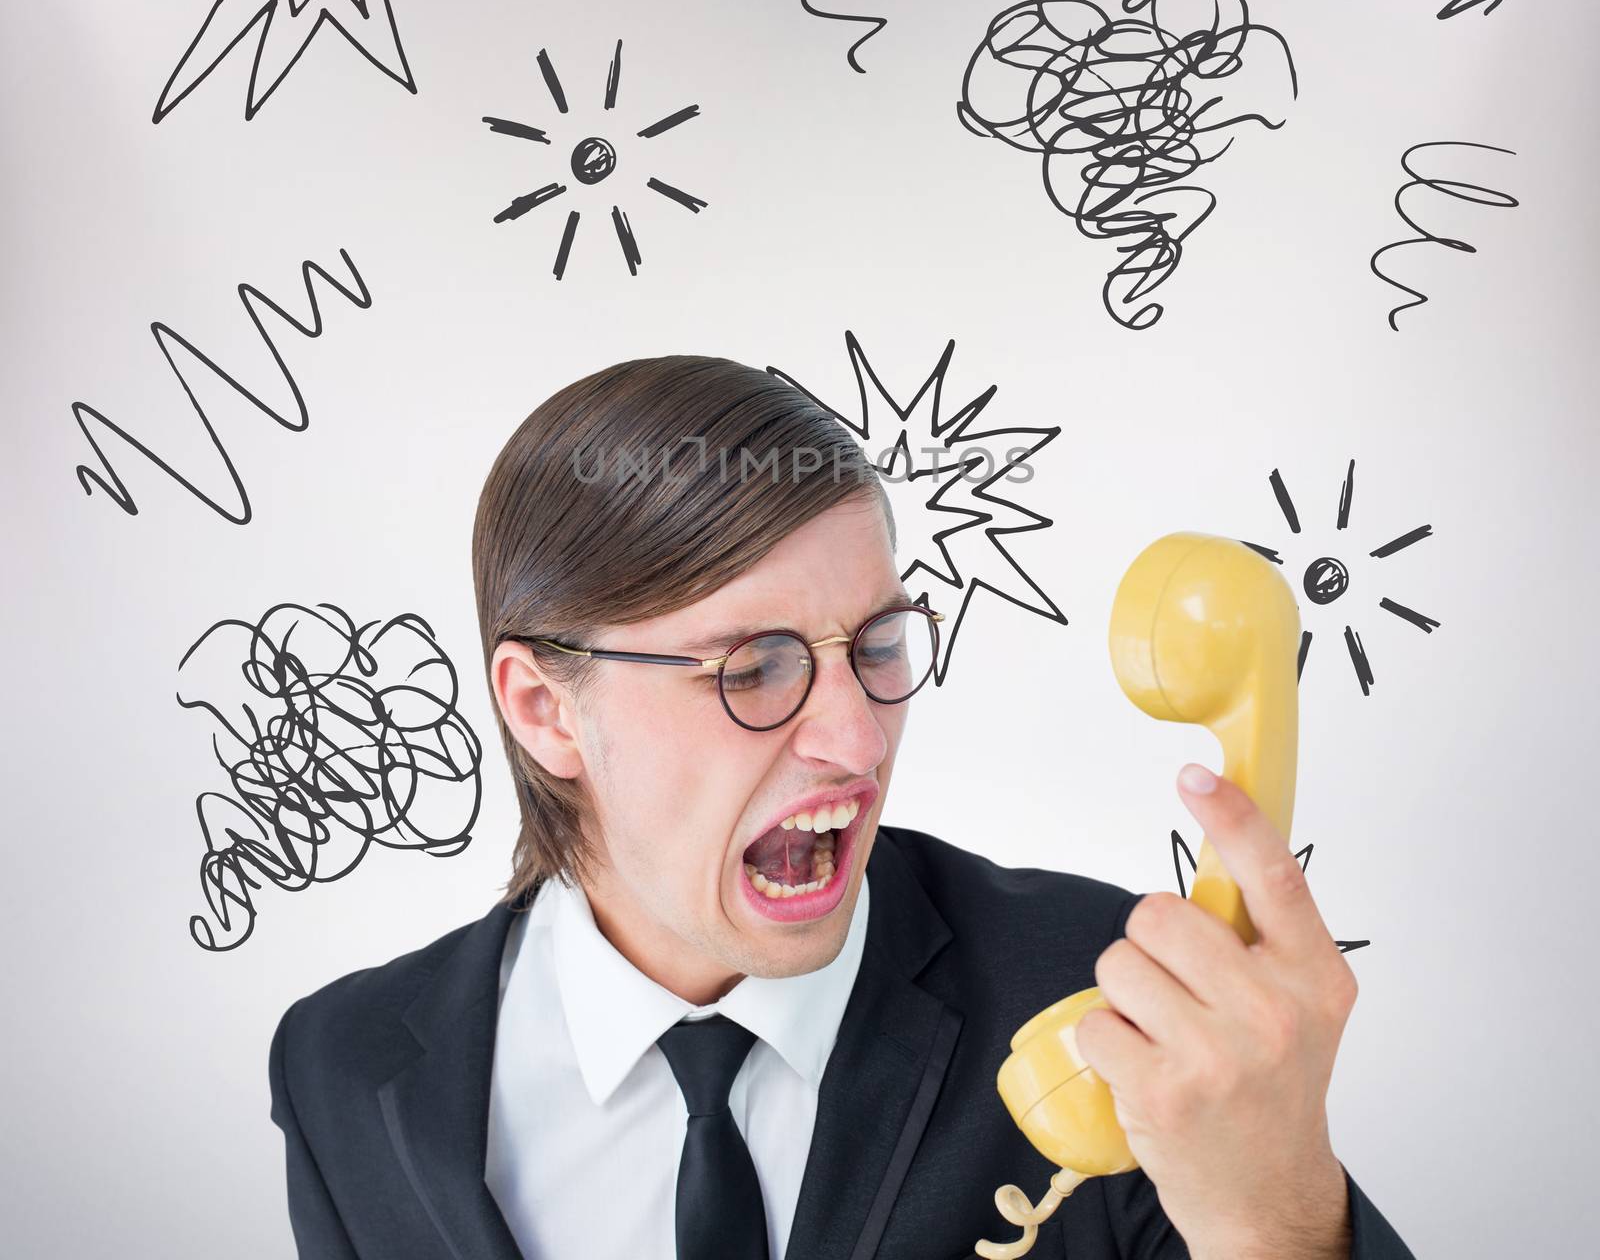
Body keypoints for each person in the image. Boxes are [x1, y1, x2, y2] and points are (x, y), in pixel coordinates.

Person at [268, 355, 1416, 1260]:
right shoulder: (344, 1071)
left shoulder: (1114, 1010)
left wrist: (1274, 1225)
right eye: (755, 667)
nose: (858, 737)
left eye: (876, 646)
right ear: (545, 709)